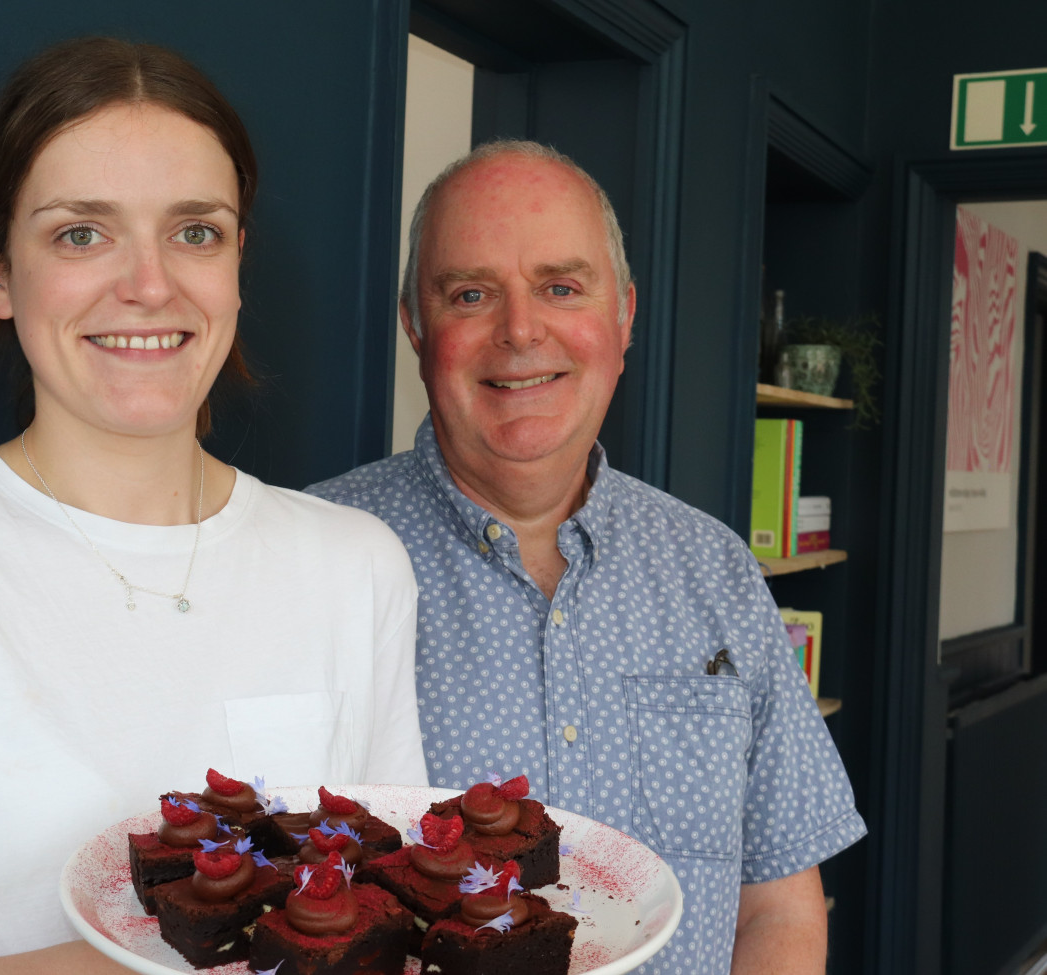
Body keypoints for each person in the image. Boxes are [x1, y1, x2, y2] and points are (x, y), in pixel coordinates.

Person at [0, 37, 427, 975]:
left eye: (195, 231)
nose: (150, 283)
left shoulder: (357, 563)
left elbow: (386, 923)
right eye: (80, 233)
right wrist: (199, 947)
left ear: (235, 265)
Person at [308, 140, 865, 974]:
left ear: (624, 318)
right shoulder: (312, 557)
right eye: (471, 293)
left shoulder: (714, 568)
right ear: (416, 329)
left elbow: (779, 904)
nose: (521, 330)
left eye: (561, 288)